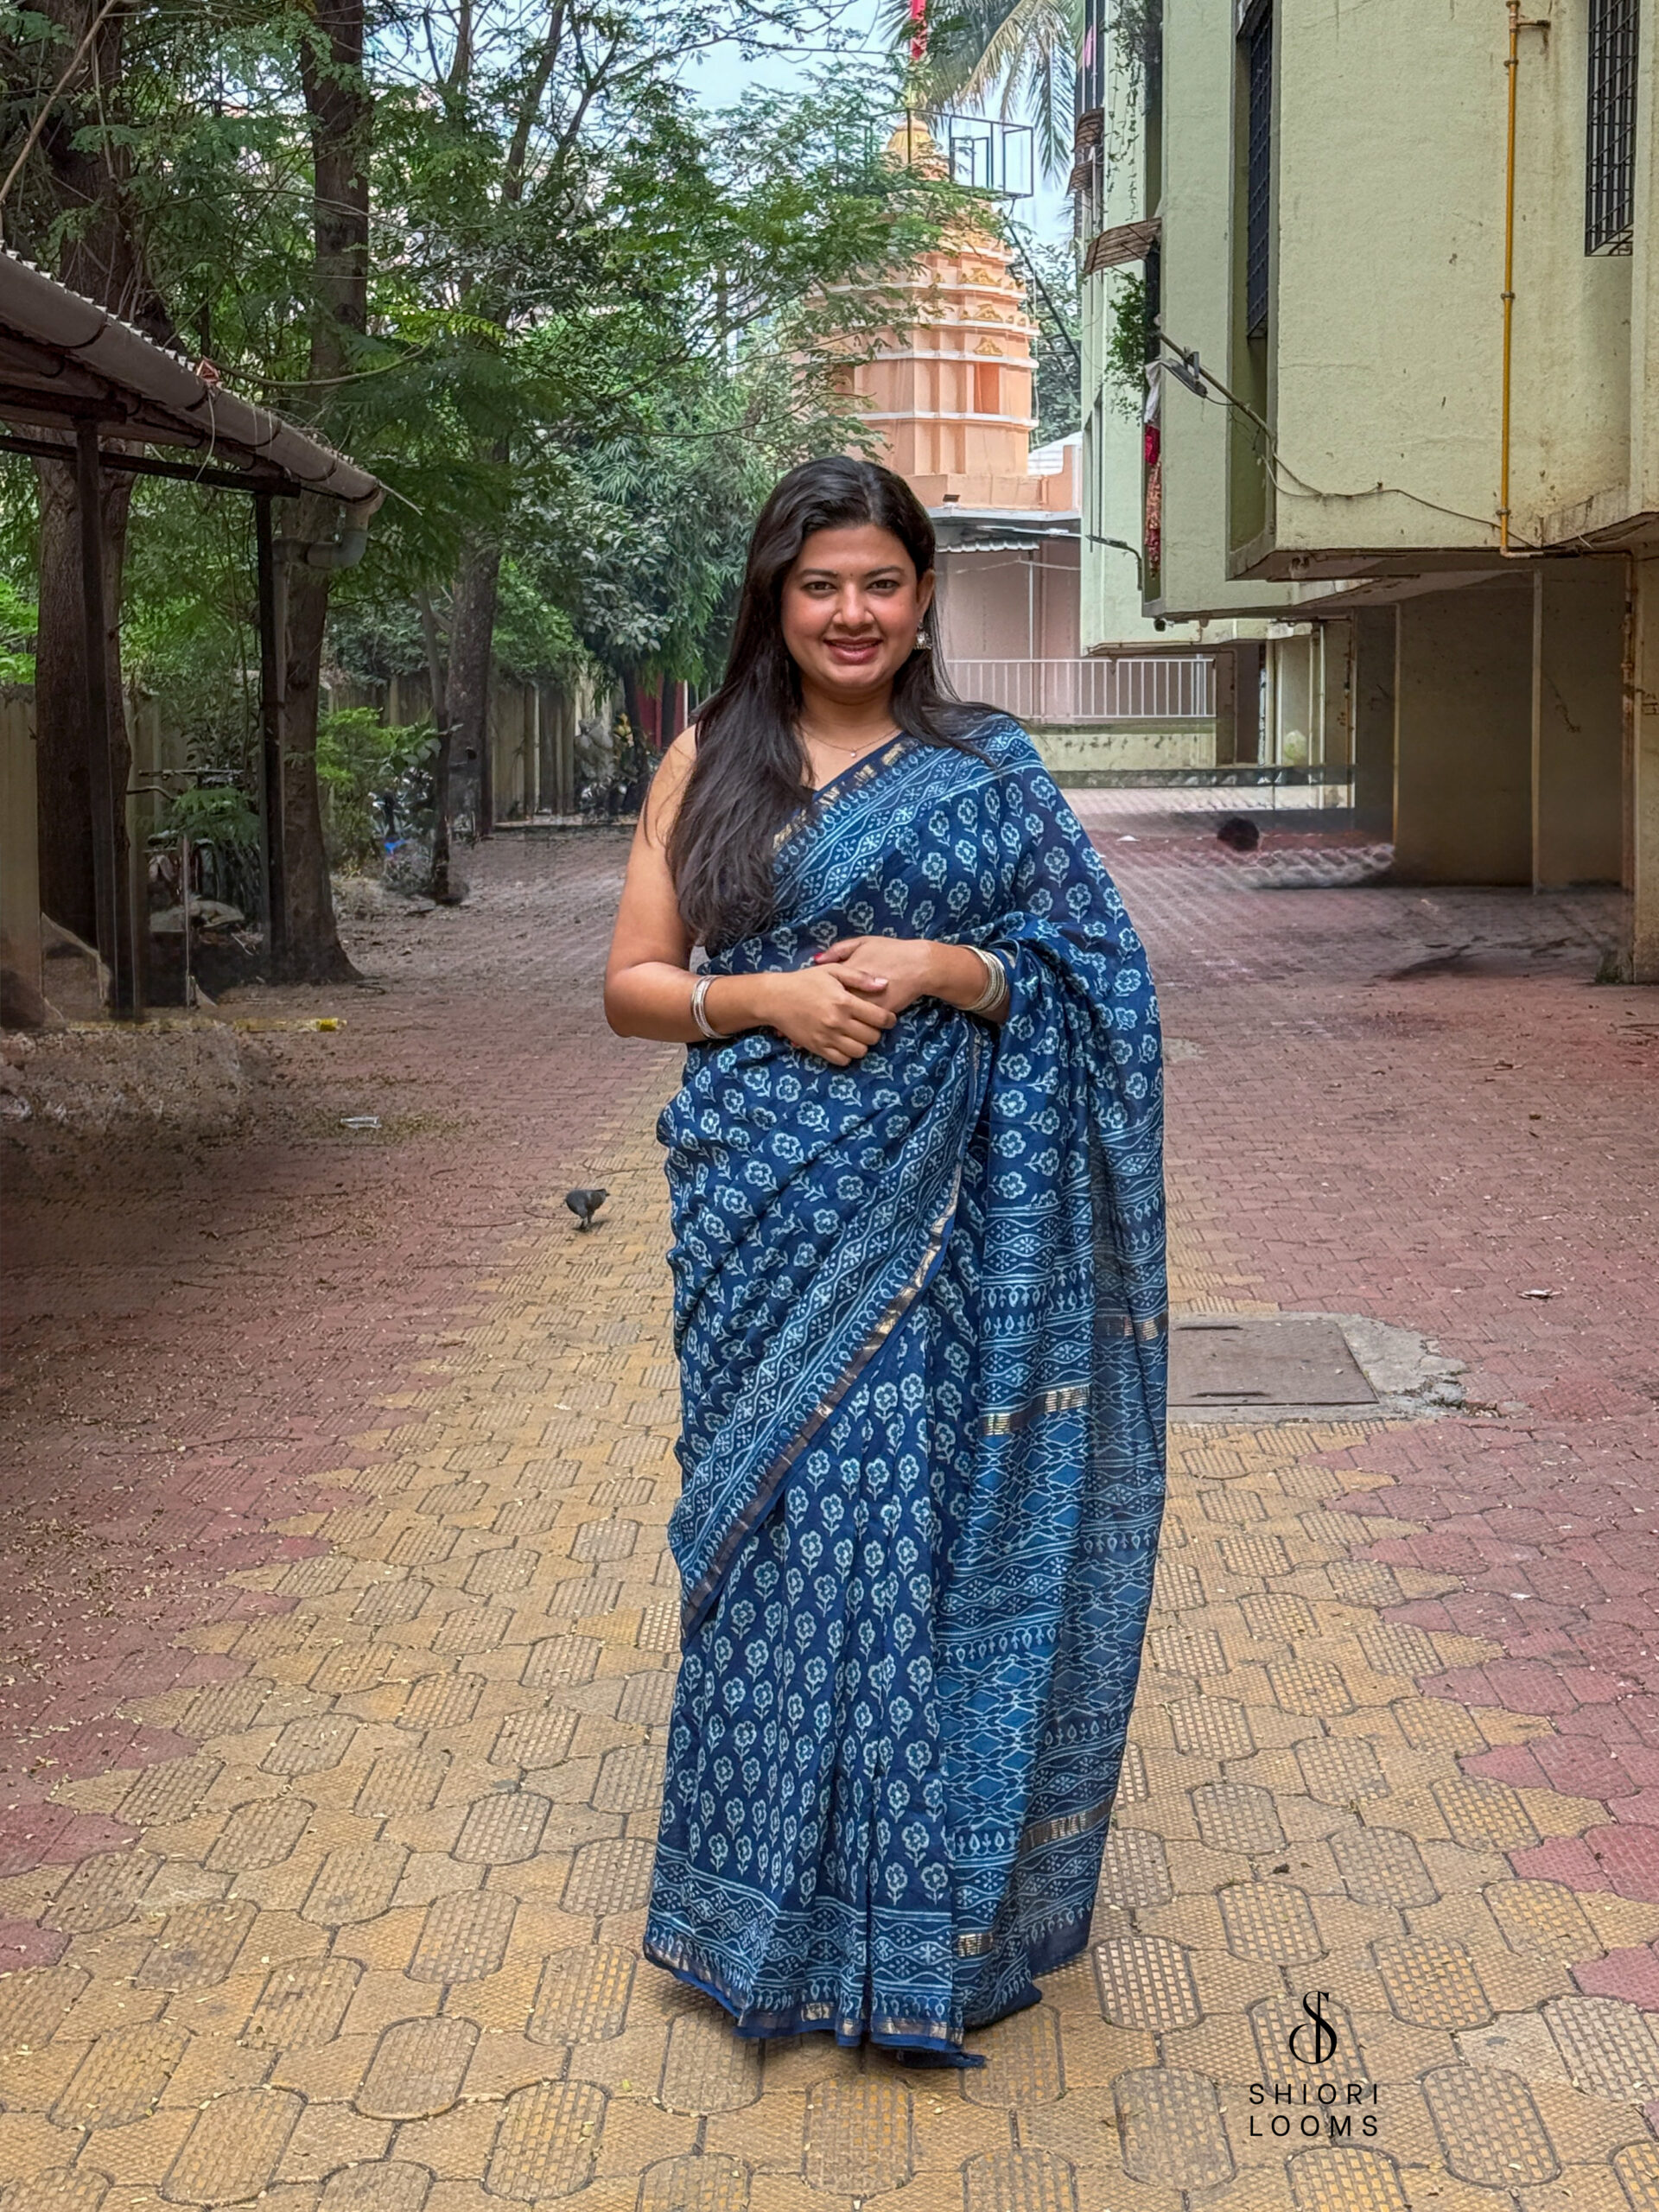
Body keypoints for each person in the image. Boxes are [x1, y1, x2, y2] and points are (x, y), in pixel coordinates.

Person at [603, 456, 1166, 2063]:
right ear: (775, 601)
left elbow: (1103, 979)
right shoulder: (711, 760)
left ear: (923, 598)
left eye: (881, 584)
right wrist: (762, 999)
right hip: (758, 1213)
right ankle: (755, 1922)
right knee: (778, 1546)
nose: (851, 613)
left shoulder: (990, 773)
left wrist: (953, 967)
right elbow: (635, 982)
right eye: (818, 584)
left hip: (951, 1221)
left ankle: (906, 1935)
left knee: (901, 1542)